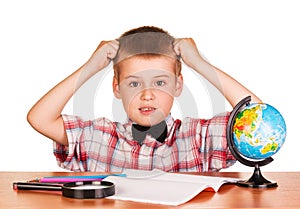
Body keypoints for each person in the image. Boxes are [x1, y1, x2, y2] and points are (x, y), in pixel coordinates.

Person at [27, 26, 261, 172]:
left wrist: (200, 64)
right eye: (134, 83)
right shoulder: (98, 136)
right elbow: (40, 118)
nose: (147, 94)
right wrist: (90, 67)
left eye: (160, 83)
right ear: (117, 89)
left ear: (178, 86)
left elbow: (259, 121)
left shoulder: (199, 138)